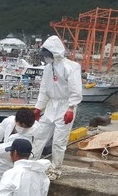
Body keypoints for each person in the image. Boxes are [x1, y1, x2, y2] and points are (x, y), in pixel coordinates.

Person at [31, 35, 83, 181]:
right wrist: (38, 108)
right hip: (51, 106)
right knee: (40, 135)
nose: (46, 57)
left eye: (48, 54)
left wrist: (71, 108)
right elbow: (44, 89)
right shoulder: (48, 68)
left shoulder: (71, 67)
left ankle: (56, 168)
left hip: (65, 105)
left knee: (59, 140)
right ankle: (32, 162)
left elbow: (76, 90)